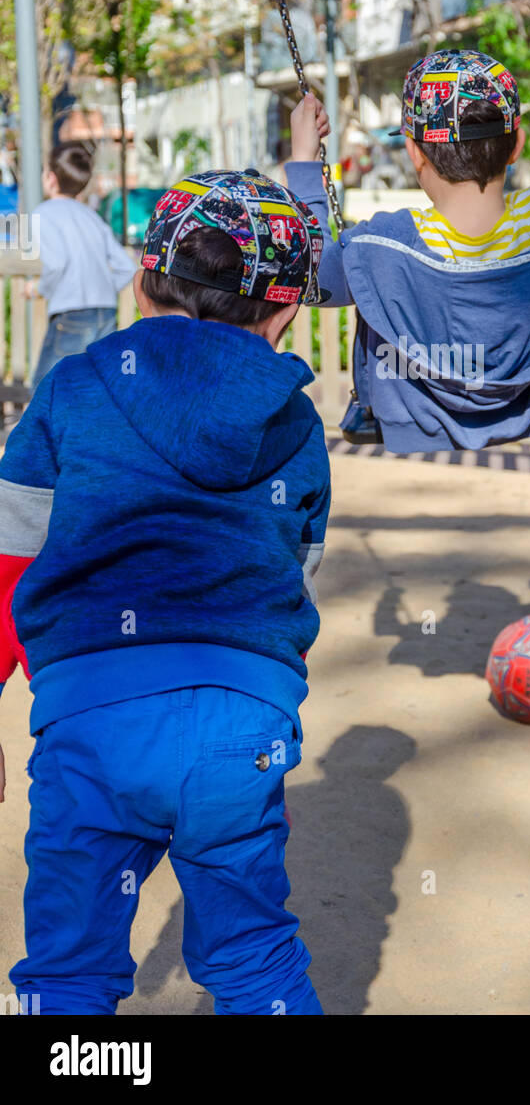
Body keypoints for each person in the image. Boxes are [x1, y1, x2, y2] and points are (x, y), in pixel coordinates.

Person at [0, 100, 332, 1015]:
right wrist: (264, 731)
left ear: (144, 281)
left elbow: (8, 553)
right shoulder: (294, 420)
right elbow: (291, 582)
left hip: (89, 718)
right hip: (238, 721)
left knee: (69, 967)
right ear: (287, 310)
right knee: (256, 958)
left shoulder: (76, 386)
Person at [285, 37, 530, 451]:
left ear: (414, 152)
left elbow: (308, 275)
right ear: (517, 146)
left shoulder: (380, 248)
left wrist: (306, 164)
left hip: (411, 410)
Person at [29, 142, 138, 385]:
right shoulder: (91, 215)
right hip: (106, 310)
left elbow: (56, 264)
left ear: (51, 178)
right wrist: (104, 288)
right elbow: (127, 266)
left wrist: (38, 289)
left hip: (72, 312)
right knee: (94, 386)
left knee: (45, 388)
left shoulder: (42, 213)